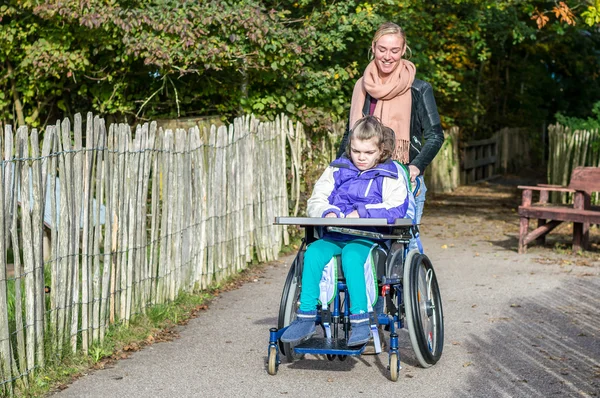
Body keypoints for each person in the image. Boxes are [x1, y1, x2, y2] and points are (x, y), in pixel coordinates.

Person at [280, 116, 415, 347]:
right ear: (349, 147)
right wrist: (328, 212)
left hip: (369, 236)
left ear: (381, 150)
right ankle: (305, 316)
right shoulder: (337, 168)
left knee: (353, 256)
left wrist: (361, 212)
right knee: (312, 253)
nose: (361, 157)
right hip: (334, 233)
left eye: (368, 152)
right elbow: (317, 199)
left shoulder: (390, 174)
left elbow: (397, 207)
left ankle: (361, 321)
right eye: (356, 151)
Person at [338, 22, 444, 226]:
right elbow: (350, 135)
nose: (388, 56)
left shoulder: (419, 89)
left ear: (403, 50)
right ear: (373, 47)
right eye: (382, 49)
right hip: (362, 182)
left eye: (395, 50)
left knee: (404, 246)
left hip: (402, 181)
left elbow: (435, 136)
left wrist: (416, 166)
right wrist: (337, 169)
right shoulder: (362, 87)